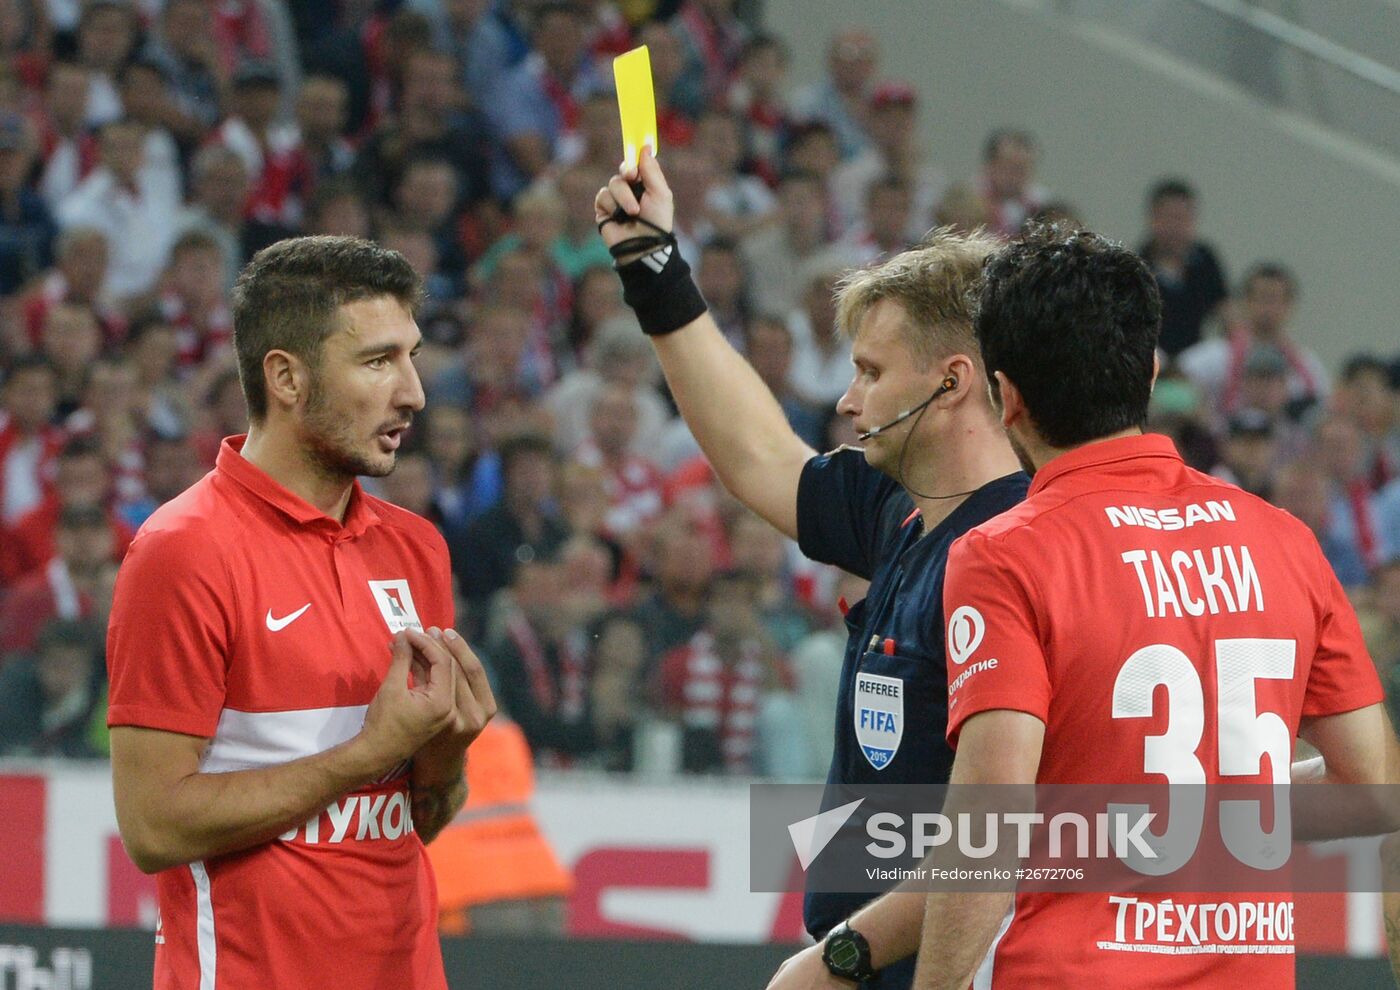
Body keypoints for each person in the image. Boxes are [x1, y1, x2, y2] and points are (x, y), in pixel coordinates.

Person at [908, 224, 1396, 988]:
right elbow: (1372, 787)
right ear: (1151, 372)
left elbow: (987, 828)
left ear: (1006, 397)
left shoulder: (1005, 553)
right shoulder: (1283, 539)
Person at [593, 149, 1027, 989]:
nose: (847, 399)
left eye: (870, 372)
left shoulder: (1014, 548)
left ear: (951, 384)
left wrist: (842, 959)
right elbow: (759, 458)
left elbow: (1010, 831)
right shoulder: (899, 507)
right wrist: (654, 270)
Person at [105, 236, 497, 990]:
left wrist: (445, 757)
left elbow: (418, 820)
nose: (413, 392)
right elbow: (154, 827)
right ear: (286, 377)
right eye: (379, 362)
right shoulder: (183, 551)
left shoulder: (417, 550)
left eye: (412, 358)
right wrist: (363, 755)